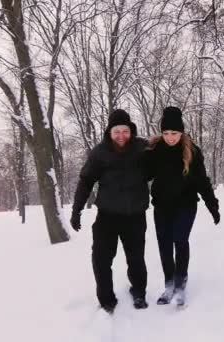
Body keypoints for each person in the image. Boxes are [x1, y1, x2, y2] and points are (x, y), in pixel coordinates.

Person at [70, 109, 150, 314]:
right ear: (110, 132)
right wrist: (76, 209)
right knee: (101, 258)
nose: (121, 136)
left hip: (135, 216)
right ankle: (106, 299)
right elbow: (86, 180)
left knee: (136, 258)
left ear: (130, 130)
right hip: (107, 216)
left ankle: (139, 292)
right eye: (117, 132)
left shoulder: (142, 149)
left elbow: (161, 164)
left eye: (125, 131)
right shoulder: (100, 153)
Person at [146, 106, 220, 306]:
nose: (170, 137)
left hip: (186, 205)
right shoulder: (154, 151)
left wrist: (213, 206)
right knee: (164, 245)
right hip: (161, 206)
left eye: (174, 133)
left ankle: (180, 283)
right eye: (166, 133)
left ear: (182, 132)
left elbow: (202, 182)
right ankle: (169, 284)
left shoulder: (192, 152)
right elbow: (142, 175)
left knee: (179, 240)